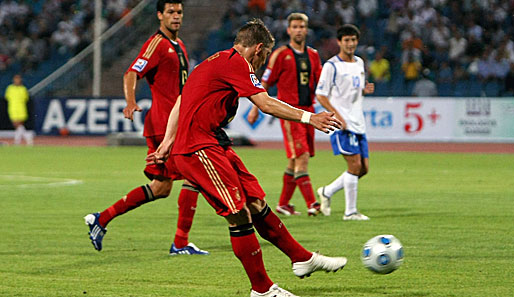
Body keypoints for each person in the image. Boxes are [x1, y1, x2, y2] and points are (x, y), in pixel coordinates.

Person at [147, 19, 347, 297]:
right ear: (258, 49)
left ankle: (302, 258)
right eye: (264, 56)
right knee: (238, 214)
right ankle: (262, 290)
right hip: (198, 148)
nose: (262, 62)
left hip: (214, 143)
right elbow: (264, 103)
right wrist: (309, 117)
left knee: (255, 202)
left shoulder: (211, 61)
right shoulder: (238, 63)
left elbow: (182, 99)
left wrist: (168, 140)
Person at [84, 0, 208, 256]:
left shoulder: (179, 44)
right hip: (164, 123)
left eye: (179, 12)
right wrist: (130, 101)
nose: (176, 17)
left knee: (161, 188)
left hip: (176, 122)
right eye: (171, 12)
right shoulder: (157, 44)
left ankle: (101, 219)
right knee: (195, 175)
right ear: (160, 15)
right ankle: (180, 243)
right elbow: (131, 73)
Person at [247, 12, 323, 217]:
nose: (299, 30)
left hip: (310, 112)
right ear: (289, 30)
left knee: (293, 161)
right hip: (291, 114)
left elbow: (320, 83)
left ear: (306, 30)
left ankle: (283, 204)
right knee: (302, 156)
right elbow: (266, 82)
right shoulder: (281, 54)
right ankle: (313, 204)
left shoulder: (314, 55)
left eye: (302, 27)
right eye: (295, 27)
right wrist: (255, 107)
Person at [315, 24, 375, 220]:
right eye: (346, 40)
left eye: (353, 40)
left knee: (363, 169)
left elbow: (354, 89)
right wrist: (337, 116)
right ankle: (350, 212)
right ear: (339, 42)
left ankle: (327, 191)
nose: (350, 44)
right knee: (354, 165)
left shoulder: (359, 62)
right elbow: (321, 95)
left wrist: (365, 90)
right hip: (342, 123)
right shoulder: (331, 66)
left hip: (358, 122)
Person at [4, 74, 33, 145]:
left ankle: (18, 141)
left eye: (18, 79)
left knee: (18, 124)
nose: (17, 81)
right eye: (15, 79)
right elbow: (7, 97)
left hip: (21, 108)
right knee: (16, 125)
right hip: (12, 108)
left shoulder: (23, 89)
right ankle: (25, 138)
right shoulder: (10, 88)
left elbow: (26, 98)